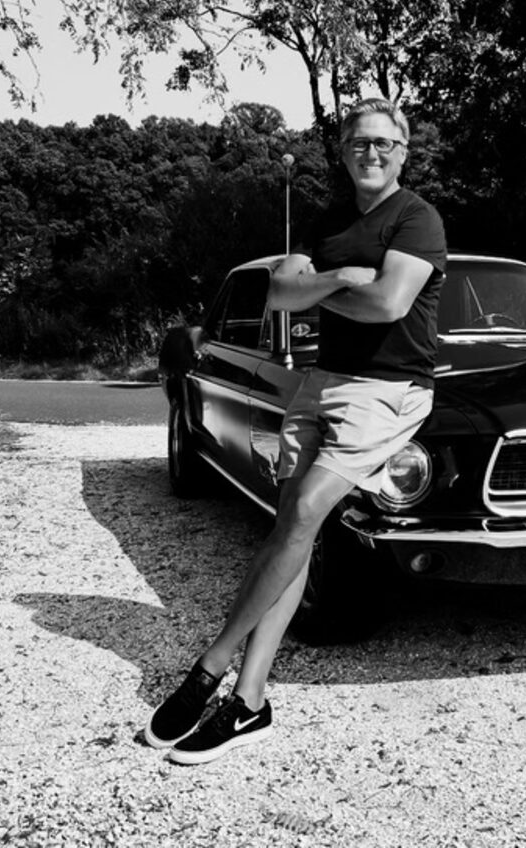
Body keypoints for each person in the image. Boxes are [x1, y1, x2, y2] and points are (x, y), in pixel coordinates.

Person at [144, 96, 446, 765]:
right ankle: (251, 702)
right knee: (292, 530)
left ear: (403, 152)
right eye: (359, 142)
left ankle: (210, 666)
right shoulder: (329, 220)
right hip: (320, 381)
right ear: (343, 152)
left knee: (305, 511)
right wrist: (342, 276)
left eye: (385, 143)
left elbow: (389, 302)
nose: (372, 153)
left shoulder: (416, 218)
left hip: (388, 389)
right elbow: (281, 292)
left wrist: (321, 287)